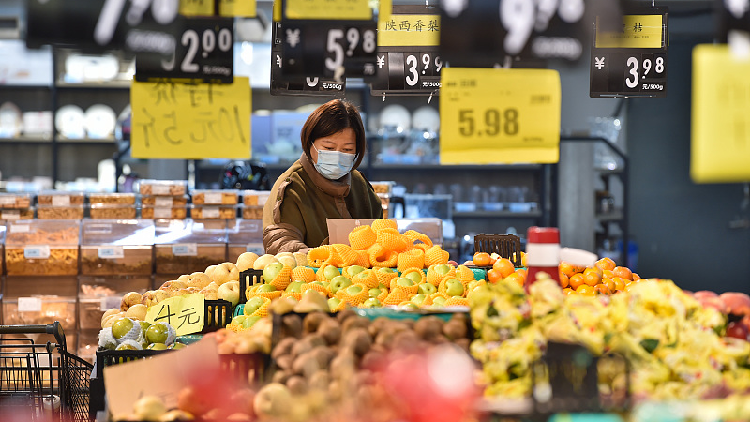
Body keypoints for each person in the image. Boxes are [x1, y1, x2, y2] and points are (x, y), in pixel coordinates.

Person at [263, 99, 383, 253]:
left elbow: (381, 238)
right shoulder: (291, 187)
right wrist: (330, 256)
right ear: (309, 143)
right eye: (328, 147)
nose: (337, 155)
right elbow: (282, 246)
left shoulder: (360, 185)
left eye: (347, 150)